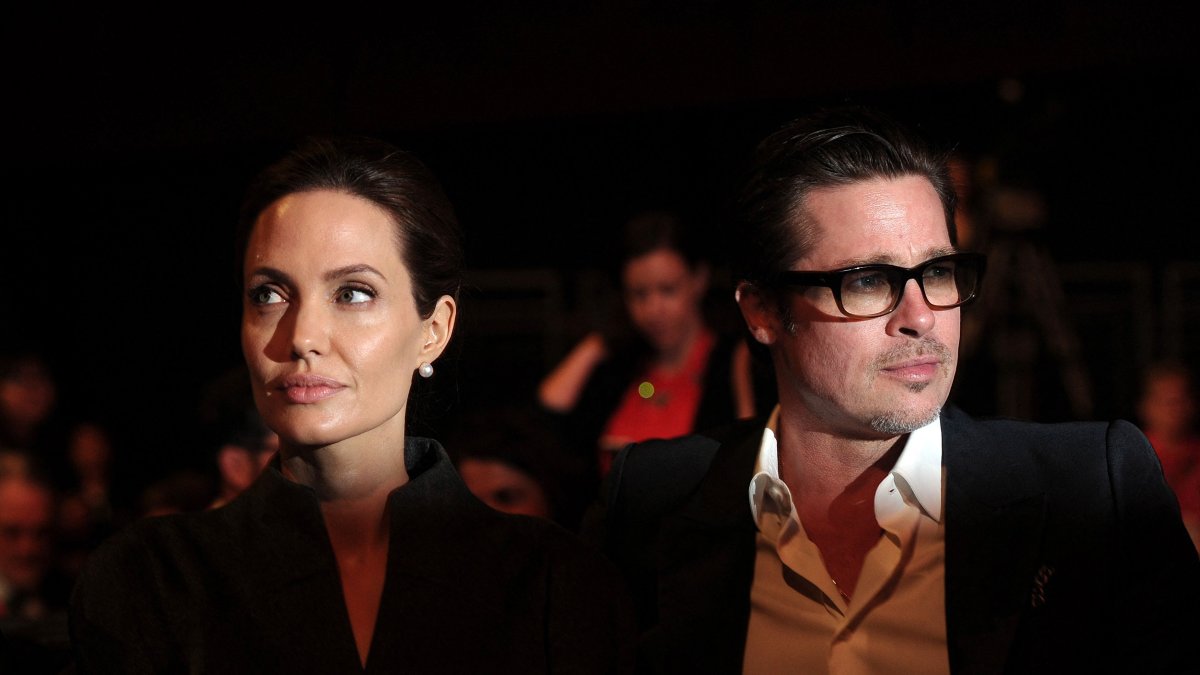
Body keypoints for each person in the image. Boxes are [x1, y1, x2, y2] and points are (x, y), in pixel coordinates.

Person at [582, 106, 1200, 674]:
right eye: (869, 281)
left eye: (936, 271)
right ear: (764, 312)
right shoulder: (653, 501)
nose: (922, 315)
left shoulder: (1094, 492)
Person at [69, 136, 634, 673]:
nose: (302, 336)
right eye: (269, 295)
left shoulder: (556, 586)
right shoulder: (149, 581)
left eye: (353, 293)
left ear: (433, 330)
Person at [538, 210, 772, 479]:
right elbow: (546, 420)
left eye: (668, 290)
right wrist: (594, 344)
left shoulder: (736, 358)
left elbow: (749, 464)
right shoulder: (622, 365)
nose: (653, 309)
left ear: (699, 279)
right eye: (639, 294)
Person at [1137, 360, 1200, 551]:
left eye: (1181, 400)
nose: (1175, 409)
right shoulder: (1130, 455)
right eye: (1167, 401)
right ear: (1146, 406)